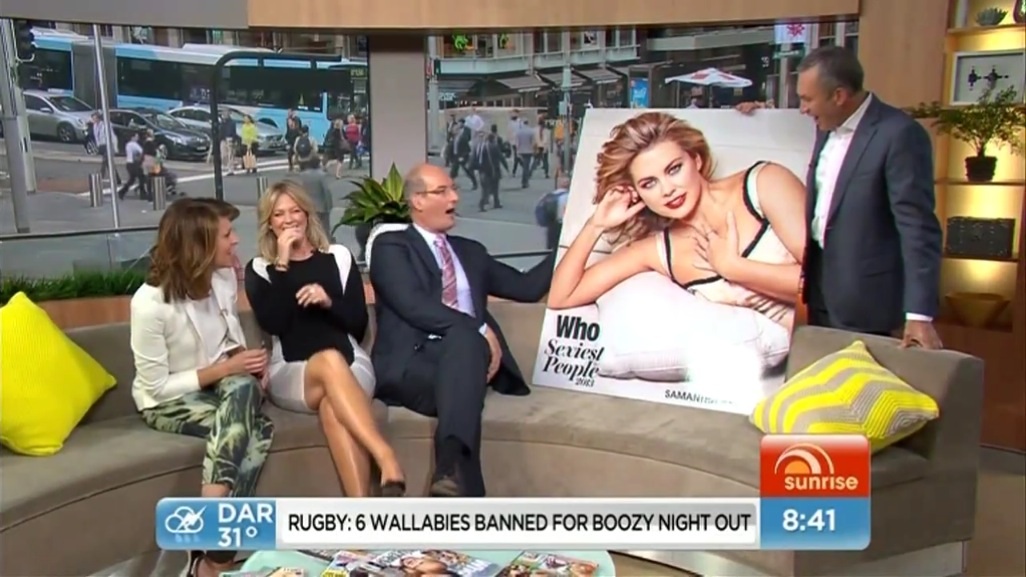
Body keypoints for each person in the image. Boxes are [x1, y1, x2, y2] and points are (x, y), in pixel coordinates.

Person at [368, 163, 554, 497]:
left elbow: (527, 287)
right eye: (442, 191)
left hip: (466, 365)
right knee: (466, 341)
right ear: (418, 200)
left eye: (454, 189)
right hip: (413, 367)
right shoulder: (392, 246)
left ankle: (450, 468)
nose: (454, 197)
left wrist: (571, 240)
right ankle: (462, 486)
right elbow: (414, 306)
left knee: (464, 352)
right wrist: (479, 329)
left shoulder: (471, 252)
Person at [736, 46, 943, 347]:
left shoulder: (898, 135)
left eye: (807, 99)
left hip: (868, 303)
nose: (802, 109)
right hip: (820, 294)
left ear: (839, 96)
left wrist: (919, 314)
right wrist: (756, 113)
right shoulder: (825, 126)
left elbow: (918, 229)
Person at [546, 111, 807, 332]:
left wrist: (734, 268)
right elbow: (561, 296)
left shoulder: (765, 182)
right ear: (637, 193)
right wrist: (595, 225)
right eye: (649, 183)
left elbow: (821, 282)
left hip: (820, 339)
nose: (667, 190)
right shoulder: (655, 250)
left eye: (674, 169)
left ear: (696, 159)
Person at [129, 200, 272, 577]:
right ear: (199, 243)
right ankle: (216, 556)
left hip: (217, 388)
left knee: (243, 387)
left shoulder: (222, 280)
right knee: (257, 430)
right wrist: (228, 368)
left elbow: (230, 340)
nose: (236, 241)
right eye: (227, 235)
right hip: (166, 401)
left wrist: (249, 363)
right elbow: (156, 387)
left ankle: (208, 542)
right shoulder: (150, 303)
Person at [245, 181, 405, 497]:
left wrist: (329, 301)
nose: (289, 220)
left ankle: (360, 514)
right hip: (293, 370)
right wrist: (282, 262)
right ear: (269, 223)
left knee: (333, 405)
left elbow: (357, 325)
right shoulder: (260, 269)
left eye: (295, 211)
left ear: (307, 214)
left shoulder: (338, 257)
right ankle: (385, 455)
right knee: (329, 359)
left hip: (350, 363)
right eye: (279, 214)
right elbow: (275, 322)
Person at [288, 147, 335, 239]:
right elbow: (326, 191)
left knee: (310, 226)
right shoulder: (321, 175)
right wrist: (329, 205)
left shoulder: (302, 175)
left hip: (307, 205)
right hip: (321, 206)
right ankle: (325, 240)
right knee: (324, 226)